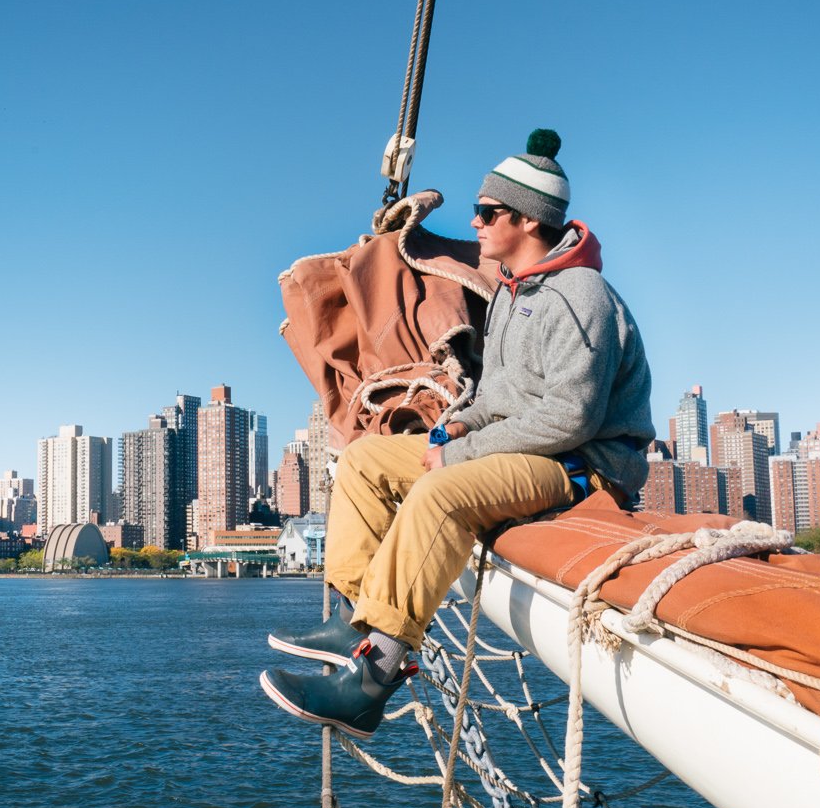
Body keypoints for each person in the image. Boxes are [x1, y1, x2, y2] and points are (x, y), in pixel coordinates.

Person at [259, 129, 654, 737]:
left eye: (487, 212)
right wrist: (459, 423)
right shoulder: (512, 295)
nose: (474, 223)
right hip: (525, 446)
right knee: (366, 460)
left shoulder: (581, 297)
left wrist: (461, 453)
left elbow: (570, 417)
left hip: (583, 465)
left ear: (526, 221)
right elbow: (496, 394)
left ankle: (371, 683)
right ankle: (354, 618)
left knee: (439, 495)